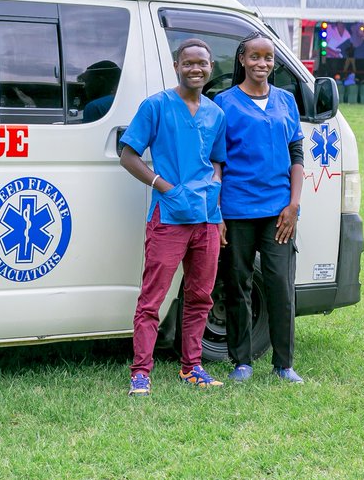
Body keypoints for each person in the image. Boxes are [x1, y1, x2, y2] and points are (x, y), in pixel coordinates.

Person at [118, 38, 227, 395]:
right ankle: (141, 372)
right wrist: (163, 186)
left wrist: (214, 188)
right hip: (169, 216)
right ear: (177, 67)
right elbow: (129, 154)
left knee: (200, 296)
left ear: (211, 68)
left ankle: (191, 367)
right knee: (153, 296)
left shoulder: (216, 114)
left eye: (203, 63)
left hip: (207, 219)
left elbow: (216, 159)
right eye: (189, 62)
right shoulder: (157, 106)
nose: (196, 69)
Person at [216, 33, 306, 383]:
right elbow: (217, 163)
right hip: (237, 209)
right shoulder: (225, 103)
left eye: (268, 58)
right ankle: (242, 361)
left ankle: (284, 364)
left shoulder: (286, 101)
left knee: (280, 285)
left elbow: (297, 155)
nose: (262, 64)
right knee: (237, 285)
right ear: (242, 59)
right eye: (254, 57)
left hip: (279, 212)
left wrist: (294, 204)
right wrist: (218, 212)